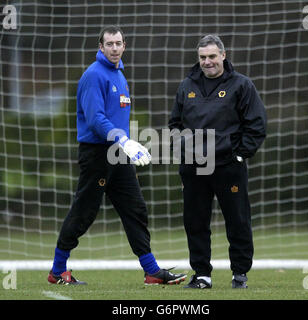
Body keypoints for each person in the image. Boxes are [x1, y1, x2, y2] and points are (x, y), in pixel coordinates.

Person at [47, 25, 187, 286]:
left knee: (135, 209)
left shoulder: (120, 75)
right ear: (101, 47)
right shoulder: (93, 75)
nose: (114, 48)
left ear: (125, 46)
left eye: (118, 43)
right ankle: (57, 271)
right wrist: (123, 139)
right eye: (109, 44)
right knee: (84, 212)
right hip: (98, 154)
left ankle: (152, 271)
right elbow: (95, 118)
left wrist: (126, 142)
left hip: (119, 154)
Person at [168, 34, 267, 289]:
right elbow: (174, 125)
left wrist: (239, 155)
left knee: (238, 221)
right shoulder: (186, 86)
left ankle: (240, 275)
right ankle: (202, 275)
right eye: (202, 57)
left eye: (212, 56)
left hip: (228, 167)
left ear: (223, 55)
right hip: (194, 168)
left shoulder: (241, 85)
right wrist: (184, 151)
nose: (207, 62)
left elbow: (256, 125)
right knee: (195, 222)